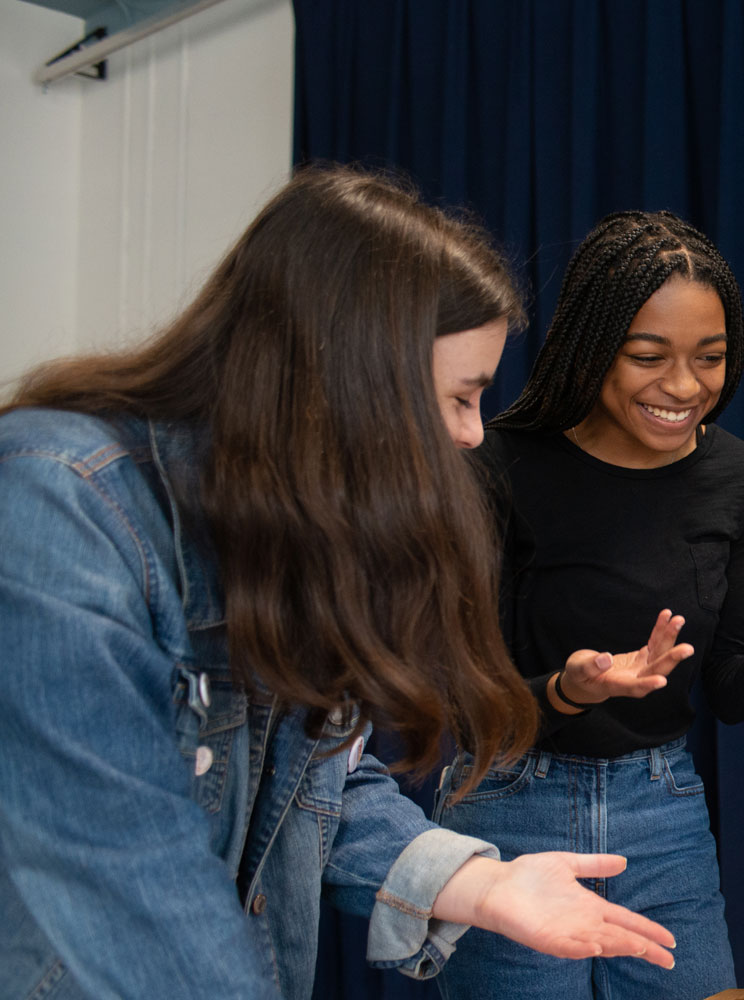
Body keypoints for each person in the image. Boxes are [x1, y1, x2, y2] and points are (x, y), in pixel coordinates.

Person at [0, 167, 678, 1000]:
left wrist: (482, 885)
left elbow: (317, 777)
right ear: (351, 381)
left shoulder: (286, 533)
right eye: (459, 399)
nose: (472, 436)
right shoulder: (59, 506)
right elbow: (127, 878)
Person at [433, 210, 744, 1000]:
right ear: (591, 348)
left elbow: (732, 693)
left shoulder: (739, 479)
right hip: (509, 808)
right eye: (648, 356)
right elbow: (465, 705)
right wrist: (570, 691)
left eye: (711, 358)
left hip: (661, 817)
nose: (684, 386)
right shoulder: (495, 464)